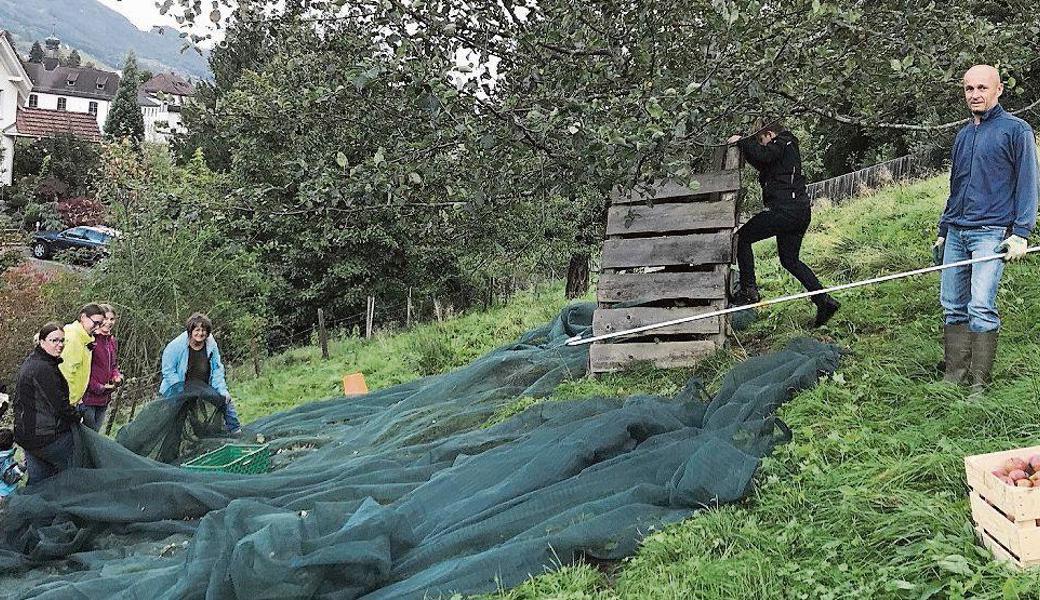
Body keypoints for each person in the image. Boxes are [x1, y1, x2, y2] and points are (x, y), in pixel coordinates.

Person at [934, 64, 1038, 390]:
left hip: (990, 235)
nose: (975, 94)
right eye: (969, 89)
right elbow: (957, 186)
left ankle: (980, 385)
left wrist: (1021, 234)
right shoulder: (963, 135)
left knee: (980, 306)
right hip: (956, 233)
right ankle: (954, 376)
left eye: (982, 88)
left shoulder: (1015, 130)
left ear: (998, 90)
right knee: (953, 306)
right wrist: (943, 229)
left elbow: (1028, 184)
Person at [727, 121, 840, 327]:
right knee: (790, 260)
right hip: (799, 212)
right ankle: (824, 300)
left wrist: (742, 141)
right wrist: (748, 146)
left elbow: (763, 155)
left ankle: (748, 290)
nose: (762, 145)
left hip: (785, 210)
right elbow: (762, 161)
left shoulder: (784, 141)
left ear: (770, 134)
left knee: (742, 238)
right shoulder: (785, 151)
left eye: (762, 140)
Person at [14, 322, 80, 485]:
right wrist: (78, 417)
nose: (60, 345)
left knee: (38, 480)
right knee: (71, 472)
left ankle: (31, 507)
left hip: (28, 434)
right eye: (54, 340)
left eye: (62, 340)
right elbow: (59, 405)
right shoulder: (42, 368)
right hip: (44, 436)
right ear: (42, 342)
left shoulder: (35, 361)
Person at [160, 313, 242, 435]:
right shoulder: (175, 346)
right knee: (175, 420)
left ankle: (236, 431)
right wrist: (181, 390)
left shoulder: (211, 344)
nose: (200, 333)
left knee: (225, 400)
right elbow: (168, 371)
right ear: (190, 330)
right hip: (178, 389)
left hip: (202, 386)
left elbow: (217, 369)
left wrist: (222, 390)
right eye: (197, 330)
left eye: (203, 330)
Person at [80, 304, 123, 431]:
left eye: (112, 319)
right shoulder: (90, 341)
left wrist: (116, 376)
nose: (108, 323)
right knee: (88, 436)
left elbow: (113, 365)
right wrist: (99, 387)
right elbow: (84, 370)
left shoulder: (112, 341)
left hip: (105, 399)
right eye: (105, 319)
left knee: (96, 434)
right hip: (88, 399)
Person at [60, 303, 106, 406]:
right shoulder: (73, 338)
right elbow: (66, 373)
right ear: (83, 317)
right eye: (95, 323)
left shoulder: (85, 339)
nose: (97, 327)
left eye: (100, 324)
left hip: (76, 401)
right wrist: (69, 403)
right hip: (66, 404)